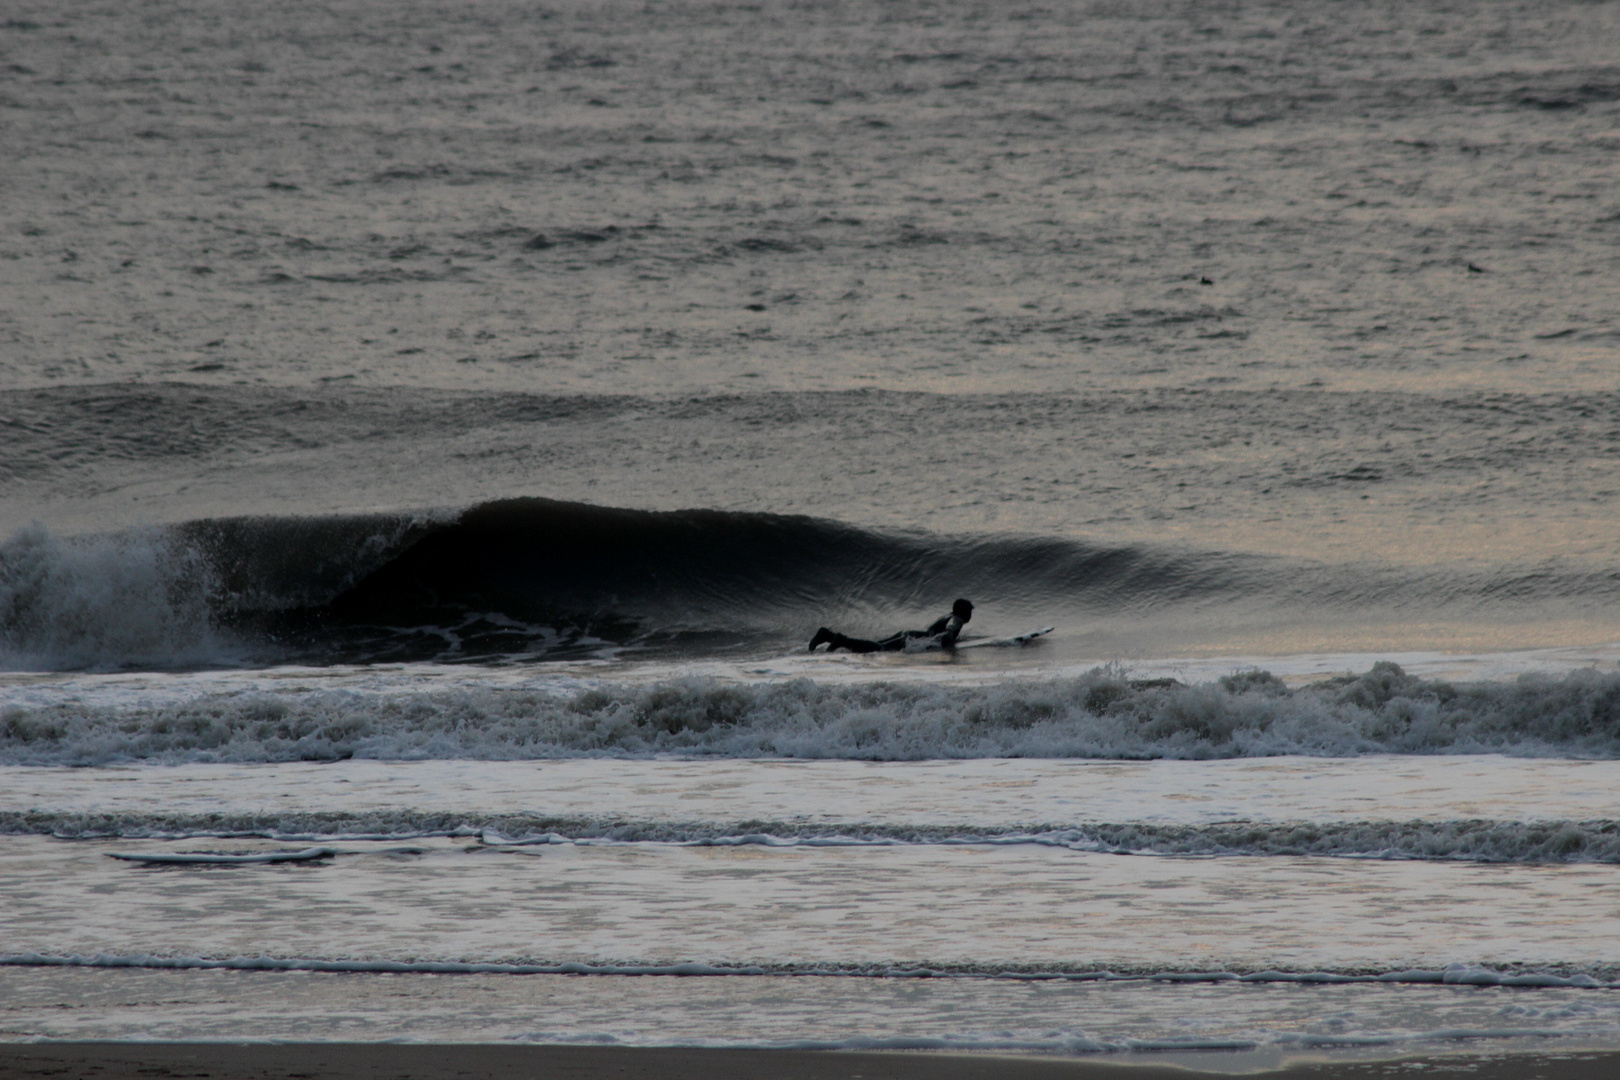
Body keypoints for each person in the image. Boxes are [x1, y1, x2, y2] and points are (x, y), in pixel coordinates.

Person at [809, 599, 973, 653]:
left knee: (874, 645)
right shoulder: (956, 620)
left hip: (910, 634)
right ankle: (840, 640)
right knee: (878, 649)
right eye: (970, 611)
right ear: (964, 611)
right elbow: (950, 631)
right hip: (912, 639)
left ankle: (828, 636)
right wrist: (947, 641)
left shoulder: (948, 615)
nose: (971, 615)